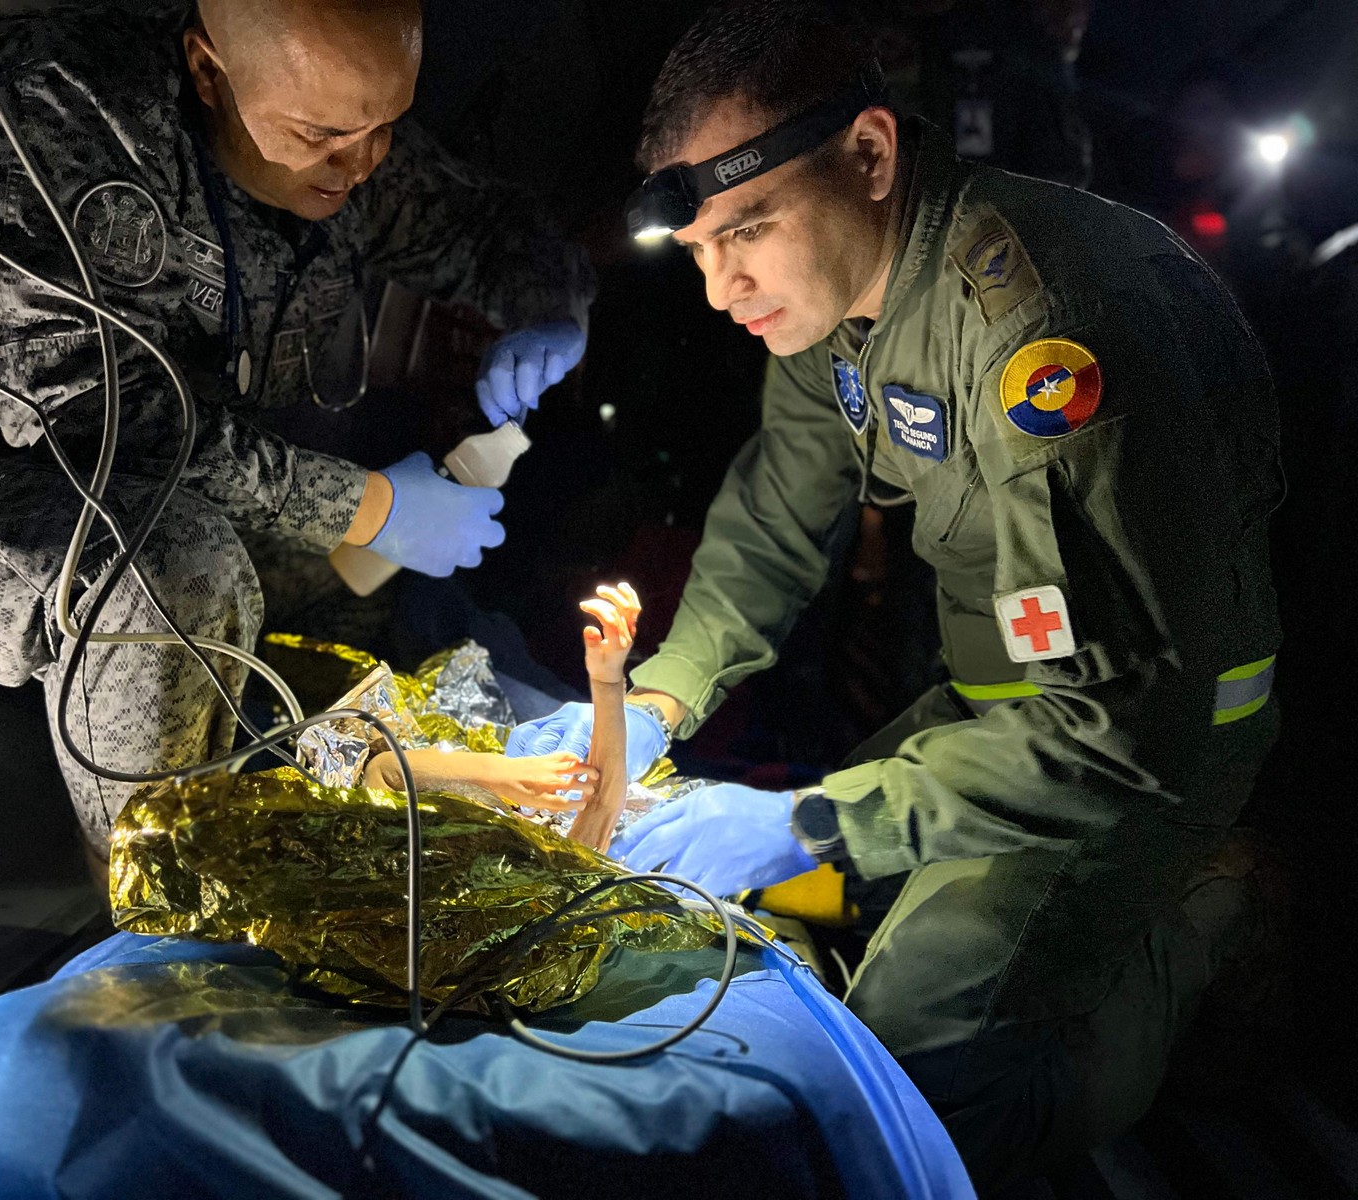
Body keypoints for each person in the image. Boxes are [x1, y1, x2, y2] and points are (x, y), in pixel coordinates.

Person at [508, 0, 1279, 1187]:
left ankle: (1197, 923)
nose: (723, 289)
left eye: (748, 229)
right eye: (703, 250)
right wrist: (658, 701)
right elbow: (772, 523)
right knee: (779, 910)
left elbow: (1118, 731)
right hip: (999, 718)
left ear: (869, 155)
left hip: (1143, 748)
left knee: (905, 1088)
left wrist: (807, 818)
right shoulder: (838, 309)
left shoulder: (1045, 333)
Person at [0, 0, 594, 856]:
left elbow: (490, 226)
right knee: (169, 568)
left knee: (356, 571)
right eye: (322, 133)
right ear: (210, 71)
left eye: (386, 126)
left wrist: (551, 311)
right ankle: (164, 912)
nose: (363, 164)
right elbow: (92, 425)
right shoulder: (54, 114)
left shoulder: (345, 132)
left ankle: (355, 798)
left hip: (176, 493)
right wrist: (367, 504)